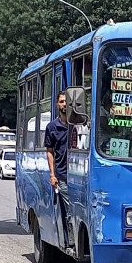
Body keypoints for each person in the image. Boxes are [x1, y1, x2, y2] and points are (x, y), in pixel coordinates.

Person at [44, 91, 73, 248]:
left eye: (67, 102)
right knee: (69, 210)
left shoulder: (78, 124)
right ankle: (71, 242)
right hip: (62, 175)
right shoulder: (52, 127)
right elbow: (50, 152)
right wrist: (52, 175)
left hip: (79, 175)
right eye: (61, 102)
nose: (64, 105)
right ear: (57, 105)